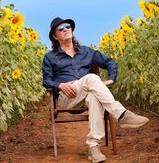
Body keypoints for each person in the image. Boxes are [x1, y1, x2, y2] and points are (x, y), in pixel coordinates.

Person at [42, 17, 149, 163]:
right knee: (91, 78)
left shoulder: (87, 52)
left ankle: (93, 147)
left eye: (67, 26)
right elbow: (46, 80)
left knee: (94, 96)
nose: (66, 29)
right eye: (60, 29)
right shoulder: (50, 57)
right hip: (68, 98)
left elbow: (110, 62)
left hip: (86, 98)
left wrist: (111, 79)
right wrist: (60, 85)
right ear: (55, 36)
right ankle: (122, 115)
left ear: (72, 30)